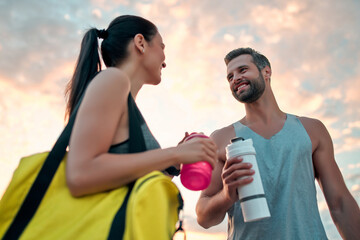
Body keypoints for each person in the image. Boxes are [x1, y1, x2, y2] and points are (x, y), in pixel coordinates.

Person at [196, 47, 360, 239]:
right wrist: (226, 195)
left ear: (266, 71)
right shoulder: (221, 139)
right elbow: (204, 218)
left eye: (242, 70)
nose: (235, 79)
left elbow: (340, 203)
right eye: (230, 77)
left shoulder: (312, 130)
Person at [64, 15, 217, 198]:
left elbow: (132, 185)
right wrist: (175, 154)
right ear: (140, 42)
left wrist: (173, 166)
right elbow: (81, 175)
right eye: (161, 46)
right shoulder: (113, 79)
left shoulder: (126, 102)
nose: (165, 61)